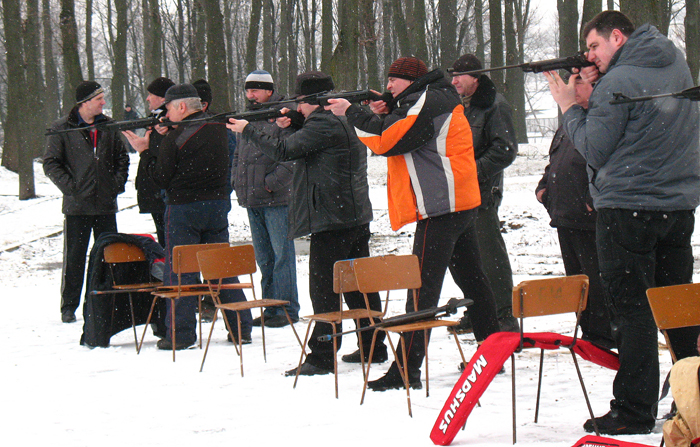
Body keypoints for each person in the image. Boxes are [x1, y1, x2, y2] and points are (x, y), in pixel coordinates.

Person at [545, 10, 700, 434]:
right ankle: (695, 398)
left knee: (633, 311)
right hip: (678, 207)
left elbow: (595, 148)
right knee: (679, 308)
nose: (591, 55)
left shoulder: (619, 80)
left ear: (617, 37)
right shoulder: (677, 65)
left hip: (627, 208)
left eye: (595, 46)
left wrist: (570, 109)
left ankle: (633, 410)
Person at [326, 57, 500, 391]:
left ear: (410, 81)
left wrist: (351, 111)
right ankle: (493, 351)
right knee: (473, 281)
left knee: (422, 289)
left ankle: (406, 368)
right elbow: (400, 127)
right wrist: (381, 110)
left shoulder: (428, 101)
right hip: (456, 202)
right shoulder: (434, 98)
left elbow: (387, 139)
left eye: (394, 81)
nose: (388, 86)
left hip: (440, 206)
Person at [227, 71, 388, 376]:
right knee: (357, 285)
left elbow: (285, 150)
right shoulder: (339, 118)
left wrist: (248, 130)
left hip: (331, 217)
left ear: (312, 101)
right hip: (350, 214)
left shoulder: (323, 123)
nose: (297, 107)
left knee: (324, 289)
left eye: (300, 102)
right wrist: (297, 122)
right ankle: (373, 344)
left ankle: (323, 354)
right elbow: (322, 138)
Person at [123, 83, 252, 350]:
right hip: (217, 205)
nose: (166, 114)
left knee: (181, 270)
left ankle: (180, 334)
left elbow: (160, 177)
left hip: (183, 208)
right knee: (221, 267)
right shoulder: (218, 128)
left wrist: (145, 151)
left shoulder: (176, 138)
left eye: (169, 108)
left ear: (182, 107)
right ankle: (241, 326)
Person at [535, 74, 614, 349]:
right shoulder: (569, 122)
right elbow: (555, 161)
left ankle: (603, 335)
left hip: (589, 218)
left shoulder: (601, 122)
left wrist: (590, 199)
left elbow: (605, 164)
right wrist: (543, 189)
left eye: (580, 81)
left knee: (597, 278)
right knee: (576, 281)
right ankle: (588, 330)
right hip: (563, 216)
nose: (573, 87)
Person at [44, 81, 130, 323]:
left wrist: (115, 185)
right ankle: (69, 306)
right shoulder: (61, 128)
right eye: (99, 99)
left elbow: (122, 159)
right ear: (84, 103)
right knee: (75, 257)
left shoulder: (109, 127)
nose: (104, 103)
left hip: (105, 204)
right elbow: (51, 162)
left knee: (109, 255)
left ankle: (107, 300)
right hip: (77, 207)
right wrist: (72, 188)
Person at [448, 54, 519, 333]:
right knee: (467, 257)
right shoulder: (460, 107)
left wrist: (473, 172)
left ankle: (503, 316)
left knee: (490, 255)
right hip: (459, 194)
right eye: (452, 76)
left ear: (475, 78)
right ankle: (478, 312)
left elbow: (505, 150)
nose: (454, 81)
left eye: (459, 77)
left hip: (482, 193)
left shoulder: (494, 106)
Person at [232, 70, 300, 328]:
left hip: (277, 199)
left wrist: (271, 184)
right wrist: (237, 181)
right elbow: (239, 154)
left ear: (269, 91)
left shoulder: (285, 116)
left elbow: (292, 156)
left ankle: (286, 308)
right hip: (252, 198)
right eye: (248, 90)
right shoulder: (248, 117)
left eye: (256, 90)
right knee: (265, 257)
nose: (251, 95)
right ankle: (270, 307)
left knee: (283, 255)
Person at [135, 77, 174, 246]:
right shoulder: (154, 120)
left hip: (164, 191)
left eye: (151, 94)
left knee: (170, 241)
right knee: (163, 238)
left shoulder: (170, 122)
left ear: (163, 98)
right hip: (156, 189)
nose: (147, 98)